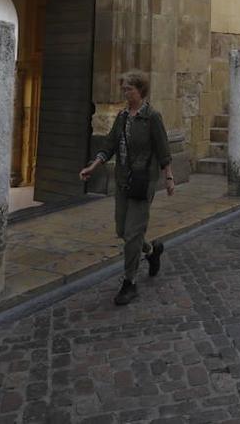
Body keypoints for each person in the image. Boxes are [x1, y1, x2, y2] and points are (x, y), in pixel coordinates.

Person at [79, 70, 175, 305]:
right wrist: (93, 166)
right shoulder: (122, 117)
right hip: (123, 181)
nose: (125, 92)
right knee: (123, 231)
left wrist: (169, 178)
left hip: (143, 182)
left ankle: (129, 282)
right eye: (123, 88)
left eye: (128, 89)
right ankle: (152, 251)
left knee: (133, 233)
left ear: (140, 91)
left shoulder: (152, 117)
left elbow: (163, 150)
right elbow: (109, 144)